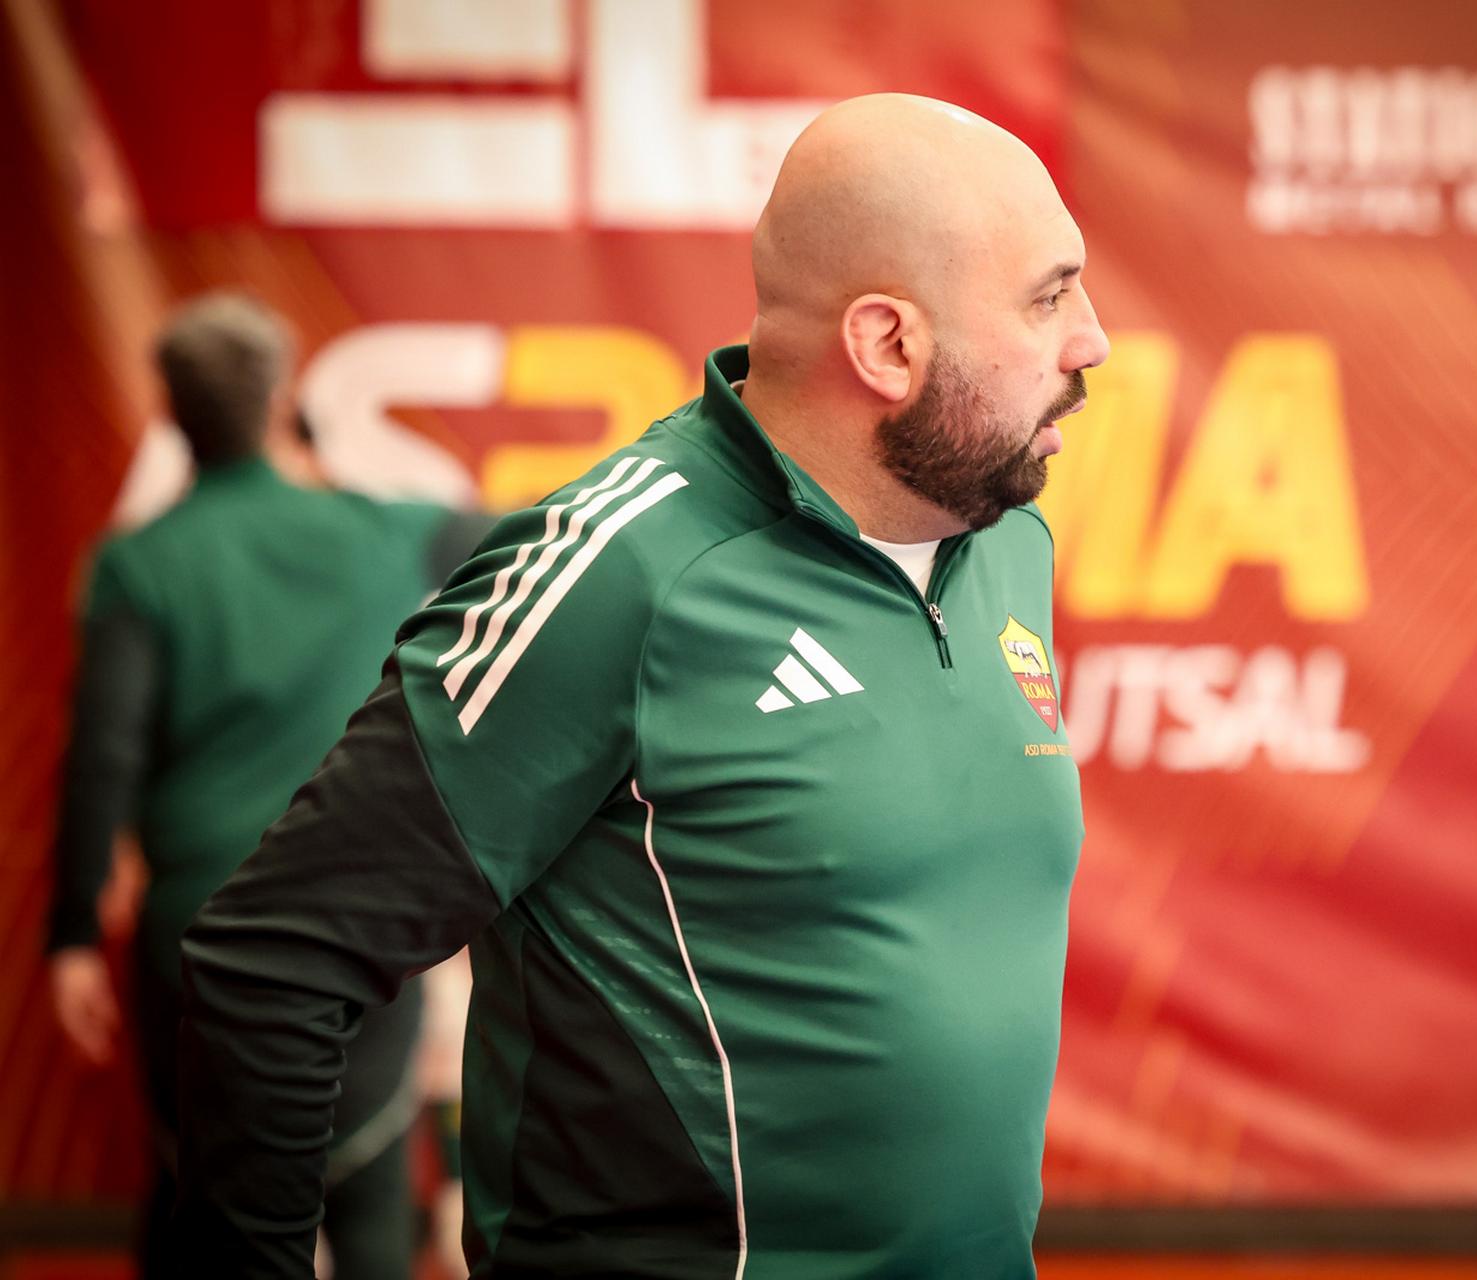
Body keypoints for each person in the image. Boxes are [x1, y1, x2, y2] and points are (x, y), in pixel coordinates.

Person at [176, 93, 1110, 1279]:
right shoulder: (619, 573)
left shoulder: (1008, 537)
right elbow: (272, 962)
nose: (1093, 339)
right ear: (887, 346)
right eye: (1048, 295)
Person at [46, 292, 490, 1279]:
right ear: (285, 398)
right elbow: (532, 537)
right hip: (365, 919)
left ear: (171, 410)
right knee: (368, 1186)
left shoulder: (139, 564)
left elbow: (103, 754)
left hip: (196, 930)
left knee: (201, 1200)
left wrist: (73, 931)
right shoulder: (389, 533)